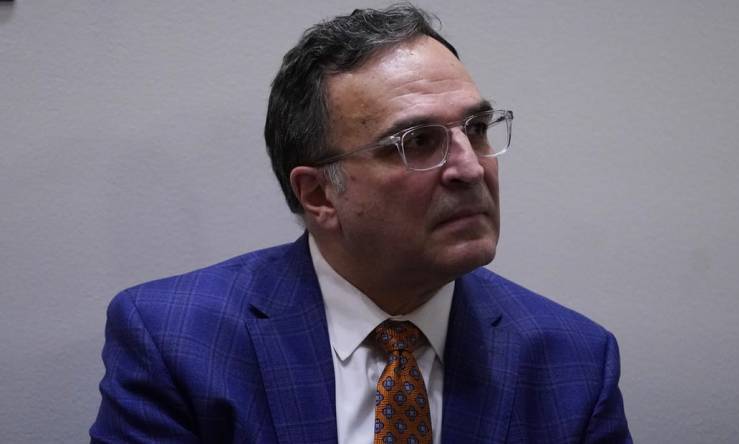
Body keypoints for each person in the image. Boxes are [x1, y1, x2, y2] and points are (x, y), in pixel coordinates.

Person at [90, 4, 631, 443]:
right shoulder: (177, 341)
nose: (470, 168)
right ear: (320, 194)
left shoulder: (574, 360)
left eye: (478, 128)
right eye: (419, 142)